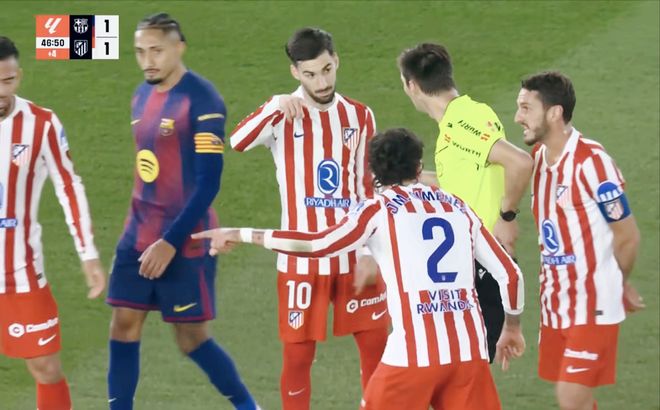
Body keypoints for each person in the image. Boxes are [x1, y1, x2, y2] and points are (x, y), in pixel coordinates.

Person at [194, 128, 526, 410]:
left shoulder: (377, 210)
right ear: (419, 166)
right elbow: (510, 274)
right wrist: (511, 327)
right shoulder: (458, 207)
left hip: (411, 357)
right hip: (468, 354)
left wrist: (242, 233)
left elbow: (316, 244)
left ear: (372, 172)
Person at [105, 13, 258, 410]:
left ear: (179, 47)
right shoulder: (140, 95)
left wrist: (169, 242)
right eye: (140, 52)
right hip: (138, 233)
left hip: (185, 239)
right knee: (123, 325)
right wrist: (143, 234)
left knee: (191, 338)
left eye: (156, 50)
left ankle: (248, 406)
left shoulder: (203, 101)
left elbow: (208, 183)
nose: (147, 61)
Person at [230, 27, 388, 410]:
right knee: (298, 357)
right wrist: (274, 105)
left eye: (327, 70)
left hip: (354, 253)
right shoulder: (282, 115)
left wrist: (371, 251)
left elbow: (369, 186)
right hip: (300, 258)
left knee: (376, 347)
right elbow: (237, 142)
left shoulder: (359, 116)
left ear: (337, 61)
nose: (322, 82)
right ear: (295, 72)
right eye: (311, 74)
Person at [514, 71, 644, 410]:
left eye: (526, 108)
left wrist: (617, 282)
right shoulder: (538, 159)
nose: (518, 118)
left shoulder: (592, 163)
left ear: (554, 113)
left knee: (570, 396)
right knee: (578, 401)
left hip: (593, 303)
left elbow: (627, 235)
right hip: (556, 303)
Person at [397, 43, 534, 362]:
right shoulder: (462, 118)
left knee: (465, 367)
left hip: (485, 263)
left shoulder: (461, 122)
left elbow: (520, 162)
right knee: (459, 366)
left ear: (411, 85)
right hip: (469, 263)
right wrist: (410, 180)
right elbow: (464, 181)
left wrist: (507, 216)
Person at [0, 36, 106, 410]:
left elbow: (69, 186)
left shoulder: (41, 124)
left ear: (19, 76)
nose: (1, 91)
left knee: (46, 366)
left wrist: (87, 253)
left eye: (8, 80)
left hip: (19, 271)